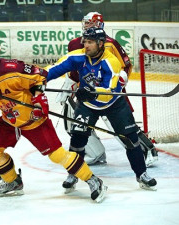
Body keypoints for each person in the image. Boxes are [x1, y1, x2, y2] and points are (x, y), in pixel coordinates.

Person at [0, 39, 108, 203]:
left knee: (57, 156)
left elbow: (39, 77)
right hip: (9, 121)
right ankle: (13, 182)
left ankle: (93, 180)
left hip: (32, 120)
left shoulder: (14, 69)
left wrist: (40, 102)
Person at [56, 11, 158, 190]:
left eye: (90, 23)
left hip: (111, 97)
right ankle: (74, 173)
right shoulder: (75, 44)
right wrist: (68, 86)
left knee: (127, 136)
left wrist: (119, 82)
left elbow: (125, 65)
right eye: (85, 23)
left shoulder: (110, 44)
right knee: (78, 136)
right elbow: (73, 69)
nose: (86, 27)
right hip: (87, 98)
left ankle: (143, 167)